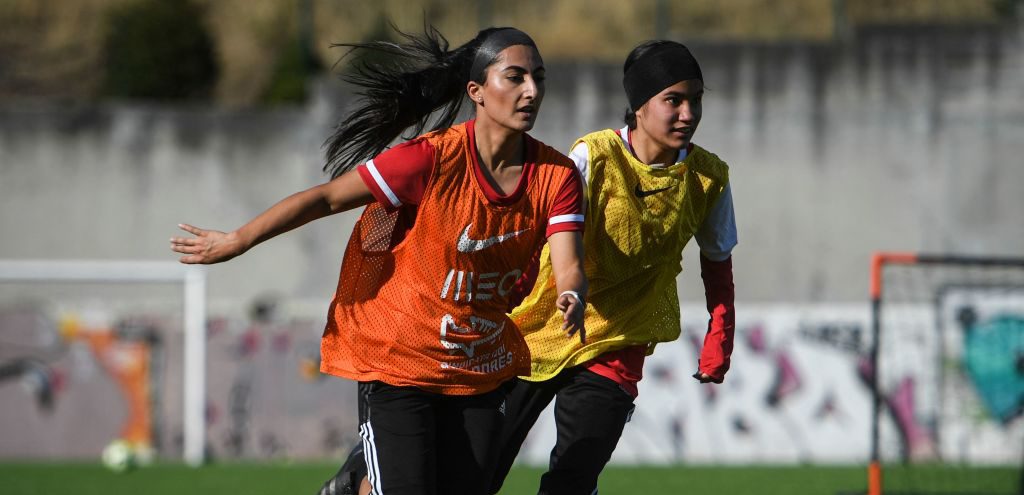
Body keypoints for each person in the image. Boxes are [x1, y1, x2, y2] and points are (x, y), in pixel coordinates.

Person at [170, 25, 588, 495]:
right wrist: (239, 239)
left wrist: (572, 290)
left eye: (539, 77)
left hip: (477, 365)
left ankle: (357, 484)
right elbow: (327, 198)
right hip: (398, 358)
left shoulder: (556, 175)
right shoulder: (431, 159)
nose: (532, 90)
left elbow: (567, 259)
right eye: (515, 77)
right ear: (477, 92)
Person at [487, 39, 737, 494]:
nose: (688, 113)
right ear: (639, 106)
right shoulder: (593, 157)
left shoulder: (709, 177)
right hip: (542, 324)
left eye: (695, 100)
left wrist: (720, 339)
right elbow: (537, 236)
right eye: (674, 100)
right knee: (475, 469)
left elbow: (718, 264)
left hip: (619, 341)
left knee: (573, 479)